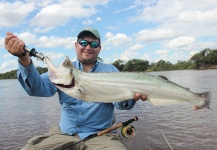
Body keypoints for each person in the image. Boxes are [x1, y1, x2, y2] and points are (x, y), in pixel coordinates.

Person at [5, 27, 147, 150]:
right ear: (76, 45)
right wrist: (24, 58)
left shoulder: (111, 71)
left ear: (99, 48)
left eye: (93, 44)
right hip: (62, 134)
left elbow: (122, 105)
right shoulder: (63, 70)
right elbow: (36, 89)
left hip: (103, 136)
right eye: (83, 42)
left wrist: (131, 95)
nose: (88, 47)